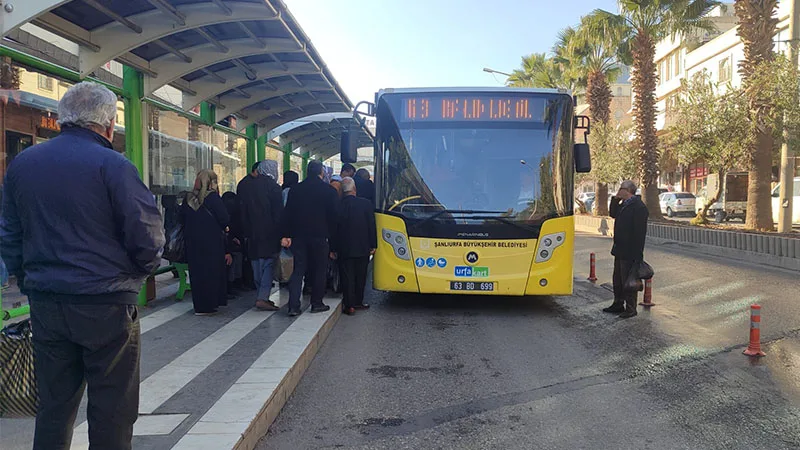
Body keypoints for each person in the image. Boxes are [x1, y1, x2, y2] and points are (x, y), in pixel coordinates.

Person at [0, 82, 164, 450]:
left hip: (47, 302)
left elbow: (9, 234)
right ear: (107, 125)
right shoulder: (114, 165)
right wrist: (138, 274)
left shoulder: (23, 164)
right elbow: (147, 235)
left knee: (54, 407)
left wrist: (30, 279)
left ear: (62, 118)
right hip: (106, 303)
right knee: (112, 410)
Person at [281, 160, 339, 316]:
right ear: (321, 172)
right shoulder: (329, 191)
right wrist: (333, 242)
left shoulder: (295, 190)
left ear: (307, 172)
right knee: (320, 269)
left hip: (298, 237)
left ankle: (293, 306)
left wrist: (286, 234)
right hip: (320, 237)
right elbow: (334, 218)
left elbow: (287, 213)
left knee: (298, 269)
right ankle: (316, 303)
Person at [181, 170, 231, 316]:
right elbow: (224, 218)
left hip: (192, 243)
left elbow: (181, 218)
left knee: (197, 273)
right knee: (211, 272)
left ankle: (200, 305)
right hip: (212, 243)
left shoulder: (189, 198)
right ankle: (210, 304)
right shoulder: (213, 198)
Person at [239, 160, 283, 311]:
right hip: (270, 234)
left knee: (256, 264)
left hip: (251, 233)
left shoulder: (244, 185)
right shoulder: (274, 188)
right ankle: (262, 297)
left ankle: (261, 294)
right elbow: (278, 215)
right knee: (268, 265)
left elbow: (241, 211)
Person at [603, 180, 649, 319]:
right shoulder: (624, 204)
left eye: (621, 188)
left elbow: (640, 233)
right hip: (620, 249)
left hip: (630, 251)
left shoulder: (638, 207)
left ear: (627, 190)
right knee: (617, 279)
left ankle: (630, 308)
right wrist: (615, 199)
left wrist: (637, 254)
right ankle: (618, 303)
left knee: (628, 281)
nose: (619, 191)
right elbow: (612, 214)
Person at [332, 177, 377, 315]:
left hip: (344, 247)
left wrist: (333, 248)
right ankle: (358, 301)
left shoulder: (337, 205)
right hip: (363, 246)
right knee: (360, 276)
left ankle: (349, 305)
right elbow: (371, 225)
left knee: (347, 276)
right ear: (355, 189)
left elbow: (334, 229)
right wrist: (373, 244)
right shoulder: (366, 204)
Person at [237, 163, 261, 291]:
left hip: (247, 224)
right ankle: (250, 280)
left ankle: (251, 280)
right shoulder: (249, 184)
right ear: (256, 170)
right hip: (249, 225)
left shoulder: (244, 183)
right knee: (250, 255)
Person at [222, 191, 245, 294]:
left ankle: (232, 285)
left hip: (228, 242)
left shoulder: (224, 210)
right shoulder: (236, 211)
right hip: (231, 245)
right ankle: (234, 283)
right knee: (235, 259)